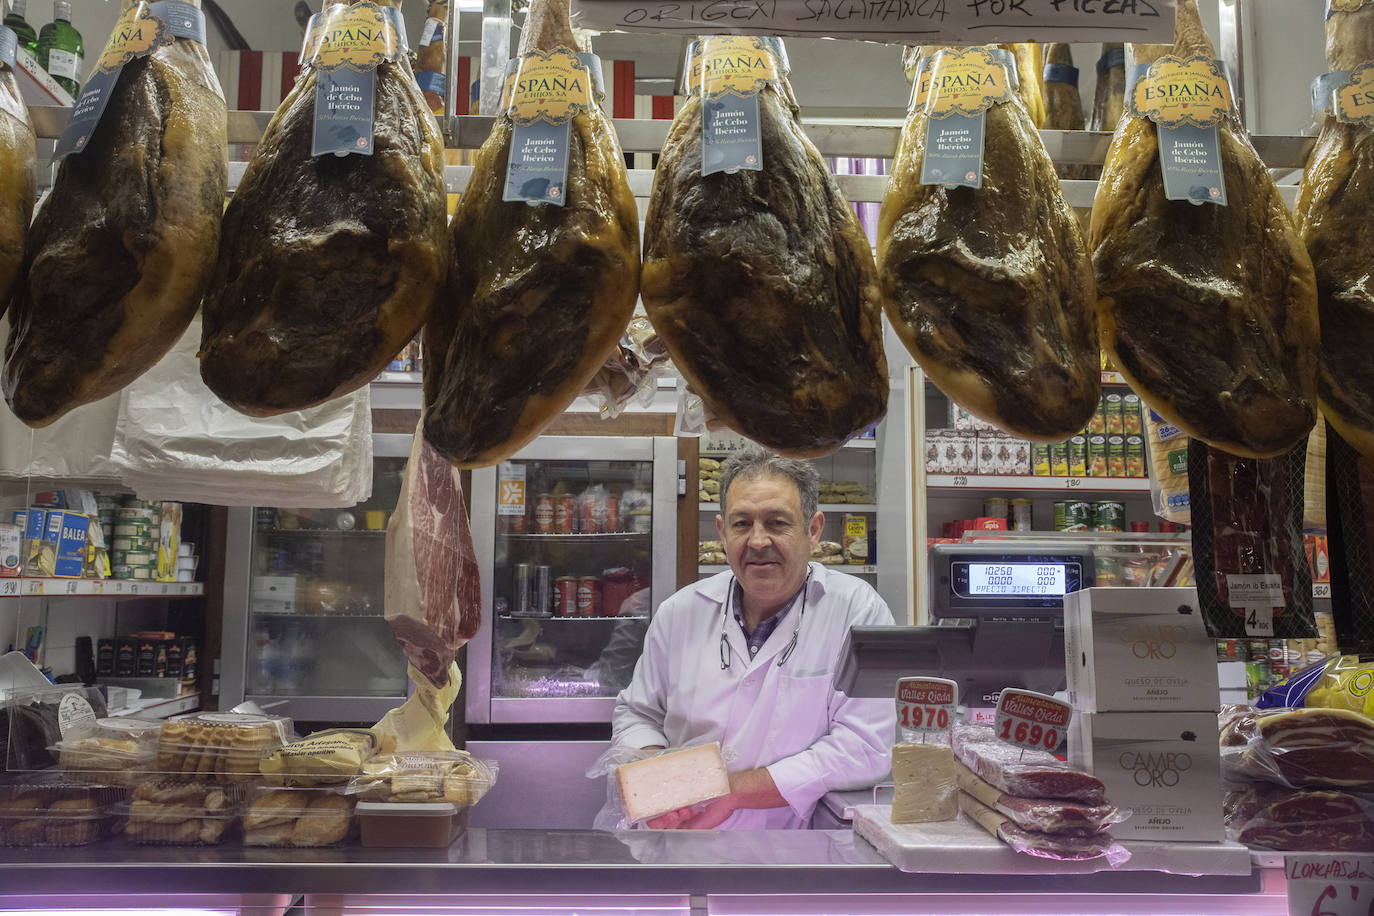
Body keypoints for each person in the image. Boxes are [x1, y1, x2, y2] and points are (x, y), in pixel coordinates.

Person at [611, 445, 896, 829]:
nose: (758, 541)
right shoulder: (680, 613)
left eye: (777, 522)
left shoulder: (858, 612)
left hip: (788, 857)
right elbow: (638, 713)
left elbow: (865, 747)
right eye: (742, 523)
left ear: (813, 530)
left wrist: (734, 791)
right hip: (680, 844)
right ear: (722, 532)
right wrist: (656, 778)